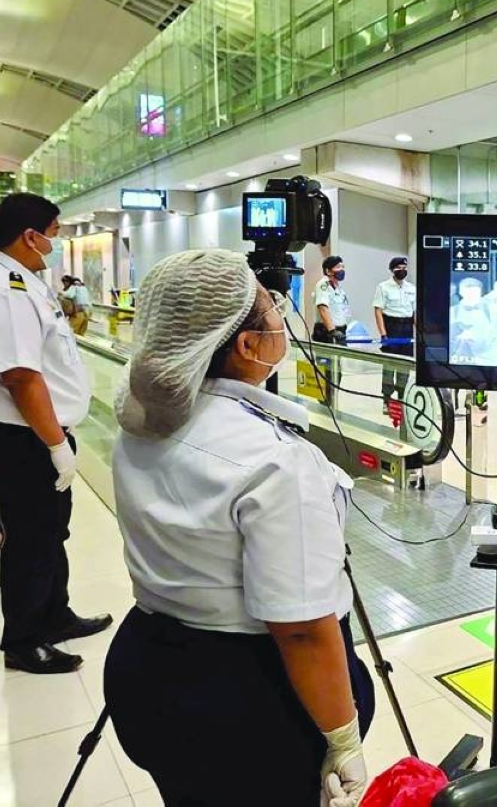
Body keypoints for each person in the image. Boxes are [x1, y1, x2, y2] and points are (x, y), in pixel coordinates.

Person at [105, 249, 374, 806]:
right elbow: (299, 626)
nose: (281, 312)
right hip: (244, 699)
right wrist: (343, 736)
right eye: (270, 305)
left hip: (150, 667)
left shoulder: (141, 420)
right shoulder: (272, 460)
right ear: (250, 345)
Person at [0, 193, 108, 674]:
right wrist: (54, 446)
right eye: (55, 230)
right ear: (31, 236)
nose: (57, 239)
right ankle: (24, 641)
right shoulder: (4, 289)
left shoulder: (24, 281)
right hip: (24, 440)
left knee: (52, 532)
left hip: (43, 433)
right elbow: (20, 377)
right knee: (29, 538)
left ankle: (55, 615)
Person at [373, 256, 416, 405]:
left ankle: (402, 396)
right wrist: (383, 333)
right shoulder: (383, 287)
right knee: (389, 364)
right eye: (399, 268)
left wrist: (419, 332)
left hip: (407, 327)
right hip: (391, 326)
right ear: (392, 270)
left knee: (405, 363)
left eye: (404, 268)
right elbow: (378, 310)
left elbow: (414, 312)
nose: (402, 271)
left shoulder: (411, 288)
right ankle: (387, 398)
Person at [450, 277, 497, 365]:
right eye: (468, 292)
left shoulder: (491, 311)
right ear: (461, 292)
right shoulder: (452, 311)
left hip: (486, 361)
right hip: (459, 361)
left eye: (475, 292)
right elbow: (445, 337)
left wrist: (494, 359)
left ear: (480, 293)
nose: (471, 295)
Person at [314, 255, 352, 345]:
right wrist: (332, 331)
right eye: (338, 267)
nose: (342, 270)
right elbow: (322, 308)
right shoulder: (323, 285)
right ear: (328, 271)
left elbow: (344, 310)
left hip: (341, 330)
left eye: (343, 267)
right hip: (327, 331)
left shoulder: (340, 289)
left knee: (341, 358)